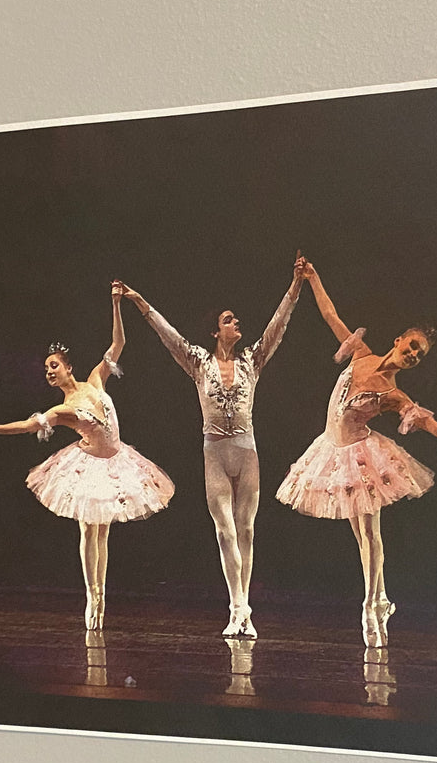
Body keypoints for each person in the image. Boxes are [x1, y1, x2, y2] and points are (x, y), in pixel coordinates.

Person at [278, 261, 437, 647]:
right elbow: (329, 313)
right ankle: (379, 599)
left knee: (371, 534)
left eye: (420, 355)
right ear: (397, 341)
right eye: (412, 346)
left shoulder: (394, 395)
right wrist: (312, 278)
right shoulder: (359, 353)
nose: (413, 355)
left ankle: (371, 605)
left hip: (361, 457)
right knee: (360, 536)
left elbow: (433, 426)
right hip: (331, 451)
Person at [116, 254, 307, 637]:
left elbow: (279, 325)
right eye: (228, 320)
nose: (236, 323)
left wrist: (296, 284)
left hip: (246, 450)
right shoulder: (198, 362)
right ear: (216, 331)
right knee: (224, 531)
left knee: (247, 530)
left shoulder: (252, 359)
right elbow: (166, 333)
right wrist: (139, 302)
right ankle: (236, 606)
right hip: (215, 453)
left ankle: (244, 608)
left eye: (236, 320)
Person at [0, 283, 174, 630]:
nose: (49, 371)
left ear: (68, 367)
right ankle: (91, 595)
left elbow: (118, 345)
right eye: (46, 369)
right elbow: (28, 424)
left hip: (117, 462)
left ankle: (102, 596)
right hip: (88, 466)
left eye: (53, 365)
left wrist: (116, 304)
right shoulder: (63, 409)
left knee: (104, 532)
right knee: (88, 530)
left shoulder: (96, 380)